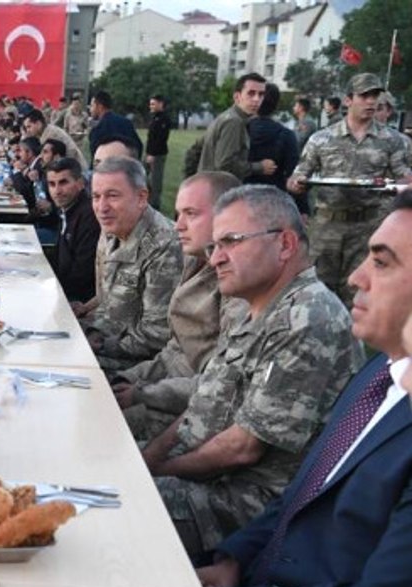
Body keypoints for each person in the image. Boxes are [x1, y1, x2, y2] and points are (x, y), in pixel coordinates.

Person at [196, 191, 412, 587]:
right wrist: (235, 558)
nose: (356, 277)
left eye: (382, 262)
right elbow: (304, 493)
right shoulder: (381, 373)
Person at [143, 185, 362, 557]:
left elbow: (243, 449)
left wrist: (156, 472)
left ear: (286, 244)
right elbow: (202, 404)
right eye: (214, 246)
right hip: (200, 475)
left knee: (107, 518)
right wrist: (147, 459)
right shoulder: (257, 307)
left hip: (243, 505)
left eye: (231, 242)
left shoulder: (306, 319)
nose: (215, 260)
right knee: (94, 471)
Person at [113, 172, 245, 441]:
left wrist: (140, 393)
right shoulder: (194, 262)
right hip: (166, 391)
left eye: (191, 214)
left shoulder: (237, 285)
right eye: (178, 214)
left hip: (193, 415)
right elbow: (174, 351)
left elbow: (217, 387)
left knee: (97, 433)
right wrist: (123, 379)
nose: (178, 226)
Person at [287, 73, 412, 306]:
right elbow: (299, 175)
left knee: (359, 296)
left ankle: (353, 342)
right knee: (315, 295)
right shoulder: (321, 139)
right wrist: (297, 183)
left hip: (368, 228)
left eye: (375, 96)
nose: (371, 101)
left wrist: (405, 184)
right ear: (348, 100)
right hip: (326, 229)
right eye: (364, 96)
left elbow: (403, 177)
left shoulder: (394, 140)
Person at [83, 157, 182, 371]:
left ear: (141, 198)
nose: (102, 207)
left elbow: (156, 335)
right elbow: (110, 302)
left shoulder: (164, 246)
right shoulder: (114, 226)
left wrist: (94, 345)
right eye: (96, 196)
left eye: (112, 196)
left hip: (134, 367)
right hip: (104, 340)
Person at [199, 73, 275, 180]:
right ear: (237, 97)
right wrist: (259, 167)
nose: (256, 99)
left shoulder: (230, 117)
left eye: (261, 94)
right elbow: (225, 165)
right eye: (251, 93)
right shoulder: (234, 122)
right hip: (217, 189)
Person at [45, 157, 100, 305]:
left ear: (80, 183)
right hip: (63, 290)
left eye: (63, 182)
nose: (57, 191)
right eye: (52, 184)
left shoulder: (89, 217)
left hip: (78, 301)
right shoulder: (67, 210)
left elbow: (82, 273)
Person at [245, 83, 301, 210]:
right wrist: (302, 208)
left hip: (241, 197)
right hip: (274, 200)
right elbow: (294, 175)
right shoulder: (287, 135)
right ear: (276, 105)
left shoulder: (240, 131)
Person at [87, 90, 142, 161]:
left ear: (100, 106)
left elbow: (96, 156)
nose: (90, 109)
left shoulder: (98, 129)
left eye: (92, 106)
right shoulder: (126, 122)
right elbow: (138, 146)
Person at [145, 95, 172, 211]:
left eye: (153, 104)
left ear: (161, 104)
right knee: (142, 176)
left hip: (157, 154)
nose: (151, 106)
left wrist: (152, 154)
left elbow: (160, 139)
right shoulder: (154, 117)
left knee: (156, 181)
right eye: (150, 104)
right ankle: (146, 200)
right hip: (149, 153)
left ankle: (155, 206)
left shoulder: (164, 119)